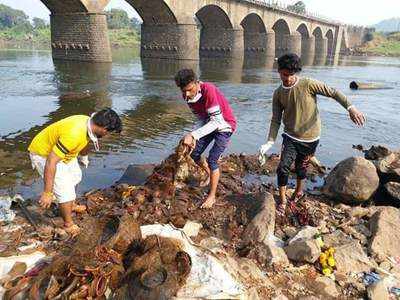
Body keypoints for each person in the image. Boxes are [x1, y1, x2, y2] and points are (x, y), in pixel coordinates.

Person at [259, 53, 366, 214]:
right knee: (283, 168)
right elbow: (275, 120)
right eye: (284, 74)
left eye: (291, 75)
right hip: (290, 136)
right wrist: (269, 141)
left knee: (301, 167)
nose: (287, 78)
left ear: (296, 73)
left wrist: (351, 108)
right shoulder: (278, 93)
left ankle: (299, 191)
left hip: (311, 138)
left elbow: (333, 92)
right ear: (279, 71)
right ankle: (282, 200)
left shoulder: (308, 84)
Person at [28, 108, 122, 234]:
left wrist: (84, 157)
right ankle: (68, 224)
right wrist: (47, 192)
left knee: (76, 176)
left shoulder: (88, 123)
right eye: (109, 132)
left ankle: (70, 205)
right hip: (44, 153)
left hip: (65, 153)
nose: (107, 135)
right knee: (64, 191)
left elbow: (86, 141)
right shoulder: (74, 134)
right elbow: (51, 162)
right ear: (103, 128)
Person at [175, 69, 237, 208]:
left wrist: (193, 135)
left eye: (190, 90)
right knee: (195, 153)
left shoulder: (209, 90)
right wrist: (194, 135)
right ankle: (210, 174)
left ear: (197, 83)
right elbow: (201, 118)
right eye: (183, 91)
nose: (186, 94)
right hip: (209, 124)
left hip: (224, 126)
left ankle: (212, 196)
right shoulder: (187, 97)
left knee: (212, 159)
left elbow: (217, 121)